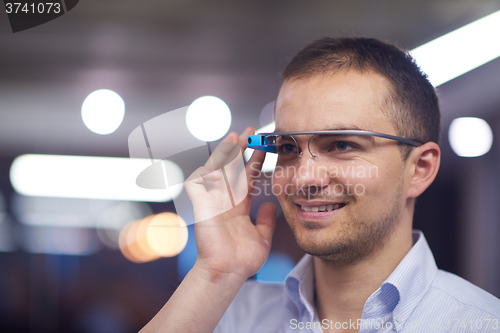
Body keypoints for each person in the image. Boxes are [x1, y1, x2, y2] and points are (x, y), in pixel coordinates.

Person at [140, 37, 500, 333]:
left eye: (342, 145)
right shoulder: (229, 317)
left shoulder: (481, 324)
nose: (304, 178)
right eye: (287, 148)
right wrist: (217, 272)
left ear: (419, 168)